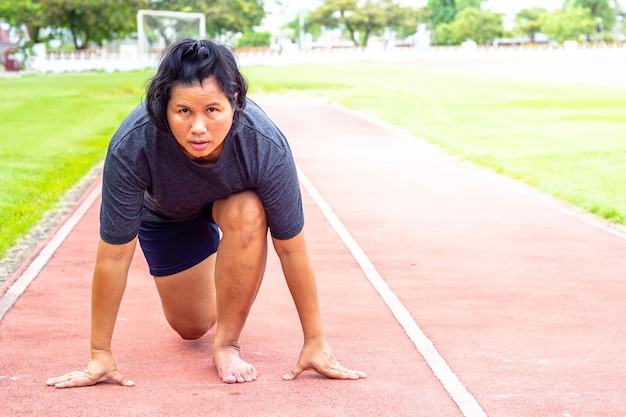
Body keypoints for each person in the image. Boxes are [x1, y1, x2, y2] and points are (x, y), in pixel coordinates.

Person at [46, 38, 366, 387]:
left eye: (212, 110)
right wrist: (100, 354)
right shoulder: (134, 143)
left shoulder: (264, 144)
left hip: (230, 204)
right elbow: (114, 257)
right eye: (184, 111)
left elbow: (290, 248)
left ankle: (227, 344)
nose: (198, 127)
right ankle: (218, 263)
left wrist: (315, 342)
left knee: (250, 210)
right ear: (163, 107)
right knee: (191, 327)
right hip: (169, 216)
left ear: (235, 104)